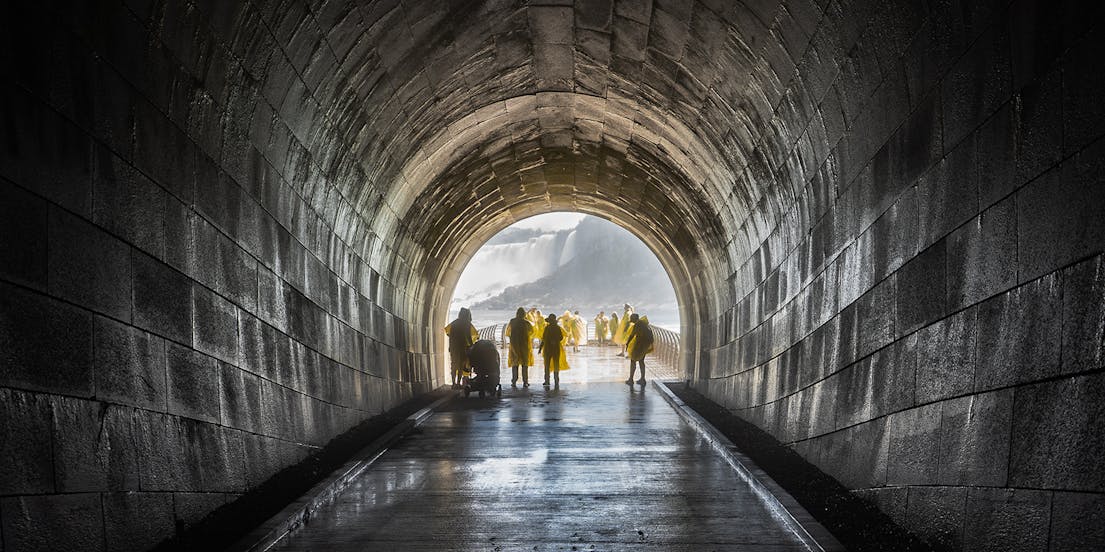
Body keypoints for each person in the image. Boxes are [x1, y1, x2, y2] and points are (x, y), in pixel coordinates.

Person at [444, 307, 479, 388]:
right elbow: (469, 336)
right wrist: (471, 345)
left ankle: (453, 383)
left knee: (453, 364)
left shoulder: (454, 323)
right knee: (461, 365)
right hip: (462, 347)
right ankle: (458, 383)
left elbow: (448, 333)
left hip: (453, 347)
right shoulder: (466, 324)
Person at [503, 307, 534, 388]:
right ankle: (525, 381)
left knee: (515, 363)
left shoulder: (512, 321)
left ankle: (514, 381)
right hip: (524, 345)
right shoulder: (526, 322)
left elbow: (508, 333)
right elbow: (532, 332)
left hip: (514, 344)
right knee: (524, 364)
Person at [539, 313, 569, 388]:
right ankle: (556, 380)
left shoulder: (547, 328)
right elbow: (561, 337)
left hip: (547, 349)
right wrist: (555, 340)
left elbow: (543, 339)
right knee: (556, 364)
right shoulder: (558, 328)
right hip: (556, 348)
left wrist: (540, 348)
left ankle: (547, 381)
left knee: (547, 365)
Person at [625, 314, 654, 385]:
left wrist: (627, 344)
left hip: (639, 345)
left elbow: (632, 335)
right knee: (641, 361)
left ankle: (631, 380)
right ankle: (643, 379)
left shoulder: (637, 325)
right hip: (645, 345)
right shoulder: (644, 324)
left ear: (634, 319)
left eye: (632, 319)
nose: (632, 321)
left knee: (633, 361)